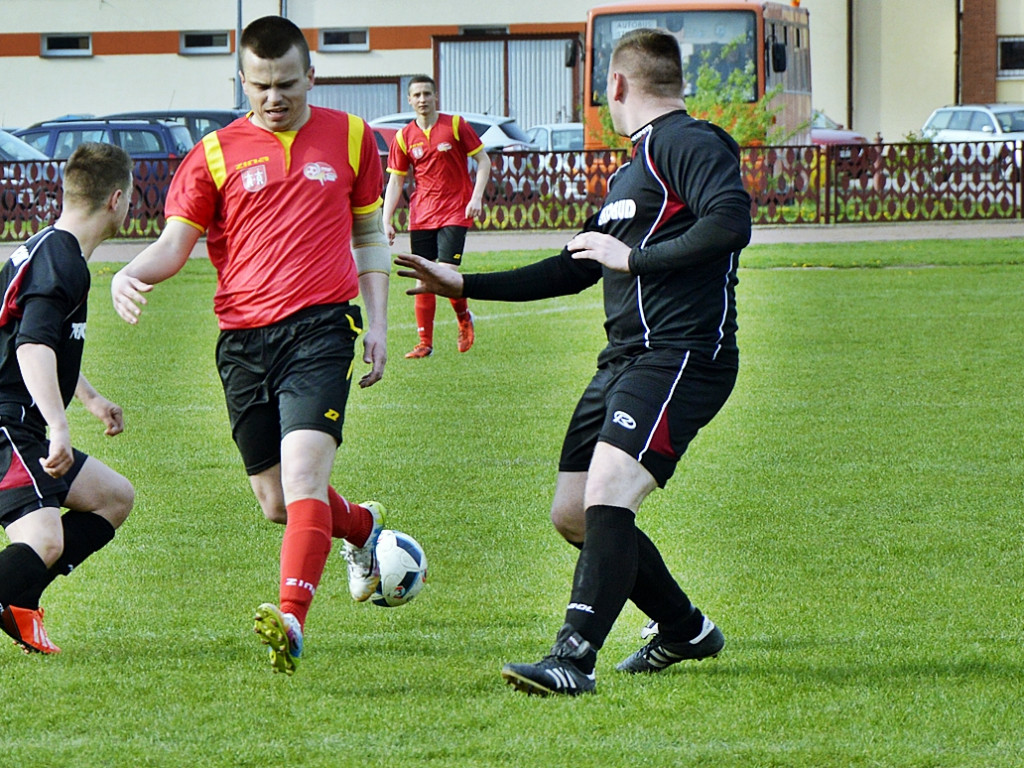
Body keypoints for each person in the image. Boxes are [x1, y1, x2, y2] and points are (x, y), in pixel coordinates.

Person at [395, 27, 752, 696]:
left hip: (679, 356)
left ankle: (573, 657)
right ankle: (685, 629)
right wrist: (464, 283)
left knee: (610, 492)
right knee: (574, 514)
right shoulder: (631, 170)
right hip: (622, 362)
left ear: (615, 85)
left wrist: (635, 258)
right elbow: (575, 268)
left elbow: (731, 222)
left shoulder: (689, 143)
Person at [110, 15, 394, 676]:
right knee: (277, 502)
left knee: (302, 478)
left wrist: (378, 324)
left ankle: (290, 619)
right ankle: (359, 528)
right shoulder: (213, 154)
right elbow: (174, 248)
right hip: (242, 343)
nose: (274, 97)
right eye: (260, 85)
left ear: (312, 77)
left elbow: (371, 239)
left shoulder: (352, 138)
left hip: (321, 332)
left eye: (287, 85)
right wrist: (130, 271)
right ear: (243, 79)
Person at [0, 142, 136, 655]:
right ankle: (12, 595)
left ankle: (17, 598)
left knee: (112, 497)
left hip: (20, 420)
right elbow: (33, 344)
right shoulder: (64, 260)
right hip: (9, 425)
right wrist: (59, 425)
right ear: (117, 199)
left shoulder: (50, 246)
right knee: (45, 540)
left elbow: (38, 339)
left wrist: (92, 399)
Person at [381, 75, 492, 359]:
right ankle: (424, 344)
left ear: (435, 96)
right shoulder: (404, 137)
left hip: (456, 210)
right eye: (416, 95)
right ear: (409, 100)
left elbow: (483, 160)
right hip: (422, 215)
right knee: (423, 277)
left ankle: (464, 317)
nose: (422, 99)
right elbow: (395, 181)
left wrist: (476, 197)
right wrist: (386, 219)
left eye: (426, 94)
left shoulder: (454, 125)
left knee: (446, 274)